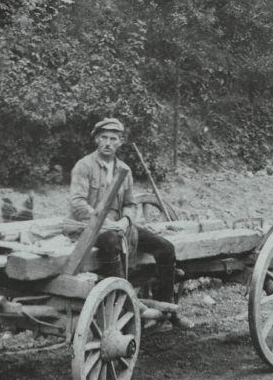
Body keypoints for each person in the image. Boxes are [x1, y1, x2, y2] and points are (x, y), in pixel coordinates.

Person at [69, 117, 194, 329]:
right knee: (111, 242)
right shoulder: (84, 166)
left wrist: (126, 221)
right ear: (97, 140)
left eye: (113, 139)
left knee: (165, 248)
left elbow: (130, 203)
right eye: (104, 138)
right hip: (88, 228)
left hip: (119, 226)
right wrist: (104, 221)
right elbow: (78, 204)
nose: (108, 143)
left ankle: (166, 310)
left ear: (119, 142)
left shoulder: (124, 170)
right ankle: (126, 303)